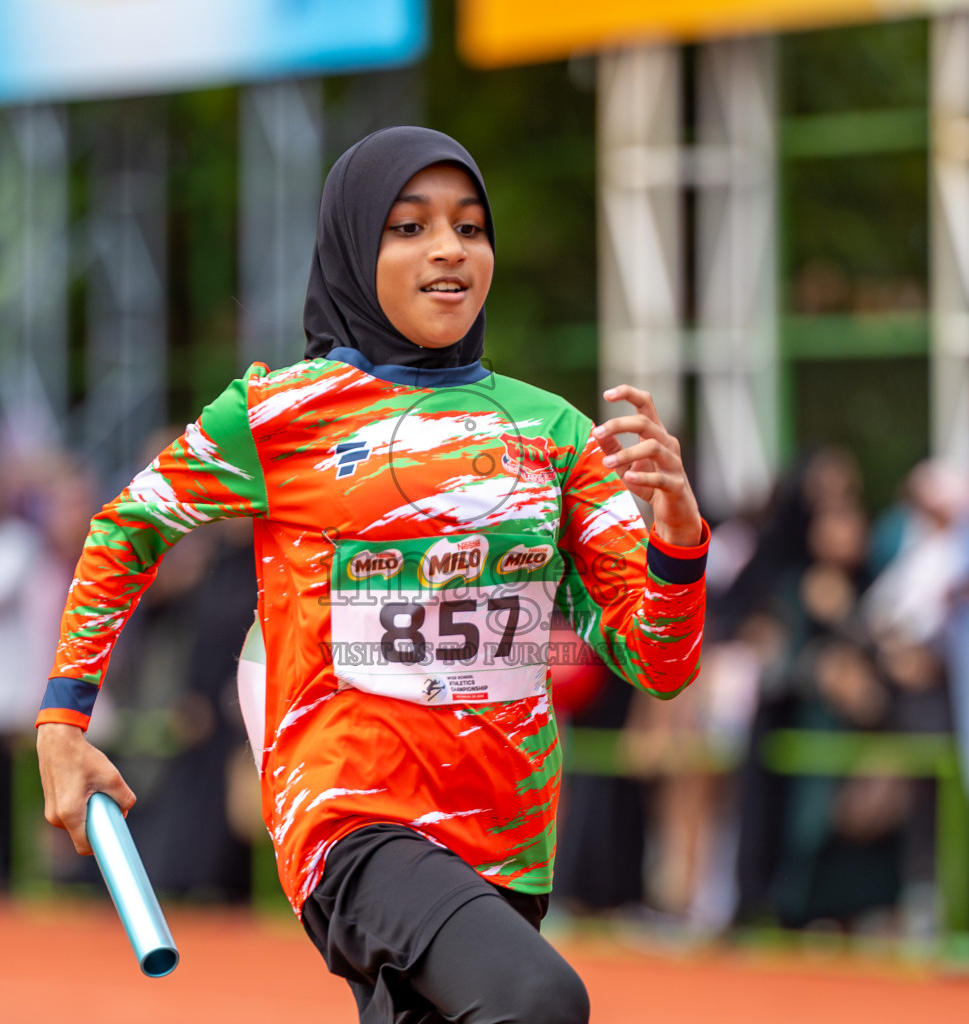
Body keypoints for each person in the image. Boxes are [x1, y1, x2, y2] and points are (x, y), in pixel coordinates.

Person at [35, 127, 710, 1024]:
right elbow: (128, 530)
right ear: (355, 245)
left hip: (507, 842)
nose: (448, 250)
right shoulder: (280, 414)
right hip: (350, 821)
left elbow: (657, 660)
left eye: (471, 228)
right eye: (409, 227)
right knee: (538, 1001)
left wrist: (678, 540)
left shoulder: (555, 432)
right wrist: (62, 721)